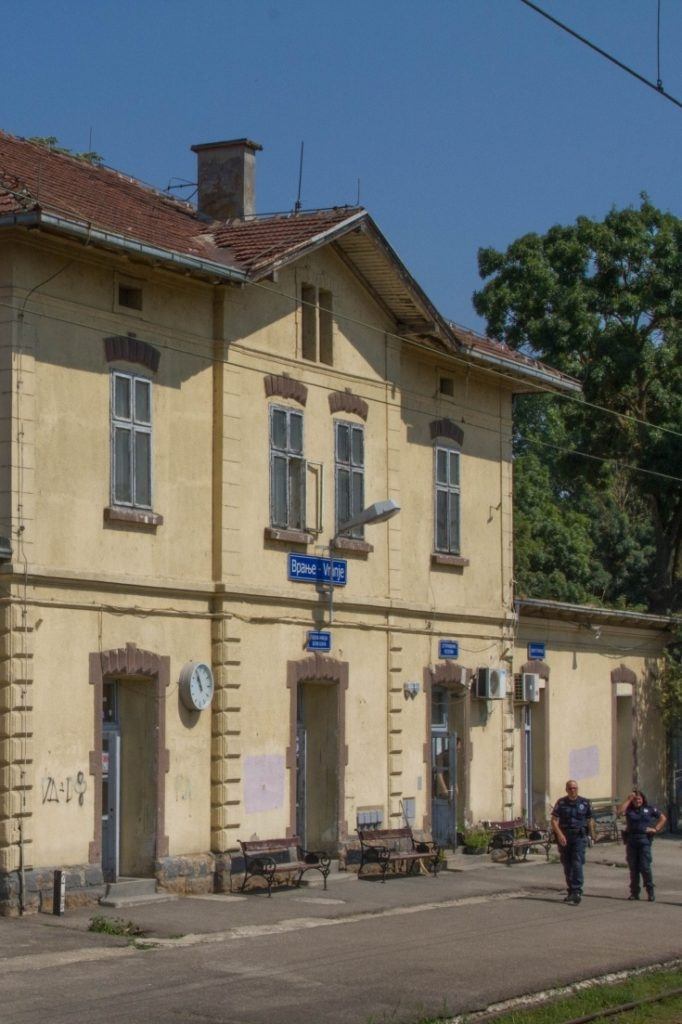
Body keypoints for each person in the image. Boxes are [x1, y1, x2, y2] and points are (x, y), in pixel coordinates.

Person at [617, 789, 667, 902]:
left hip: (644, 840)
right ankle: (634, 893)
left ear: (643, 799)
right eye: (635, 799)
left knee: (645, 867)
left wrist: (655, 829)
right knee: (633, 868)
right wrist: (628, 799)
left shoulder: (649, 809)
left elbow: (663, 818)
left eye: (639, 799)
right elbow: (619, 812)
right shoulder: (629, 810)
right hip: (631, 840)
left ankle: (650, 891)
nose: (637, 801)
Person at [551, 780, 595, 905]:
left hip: (579, 837)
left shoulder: (584, 803)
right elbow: (554, 820)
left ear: (578, 789)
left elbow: (590, 819)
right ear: (566, 789)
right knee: (567, 864)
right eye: (570, 788)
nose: (573, 790)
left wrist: (592, 835)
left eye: (575, 788)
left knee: (577, 862)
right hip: (565, 836)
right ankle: (571, 890)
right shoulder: (561, 802)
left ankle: (577, 891)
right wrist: (559, 835)